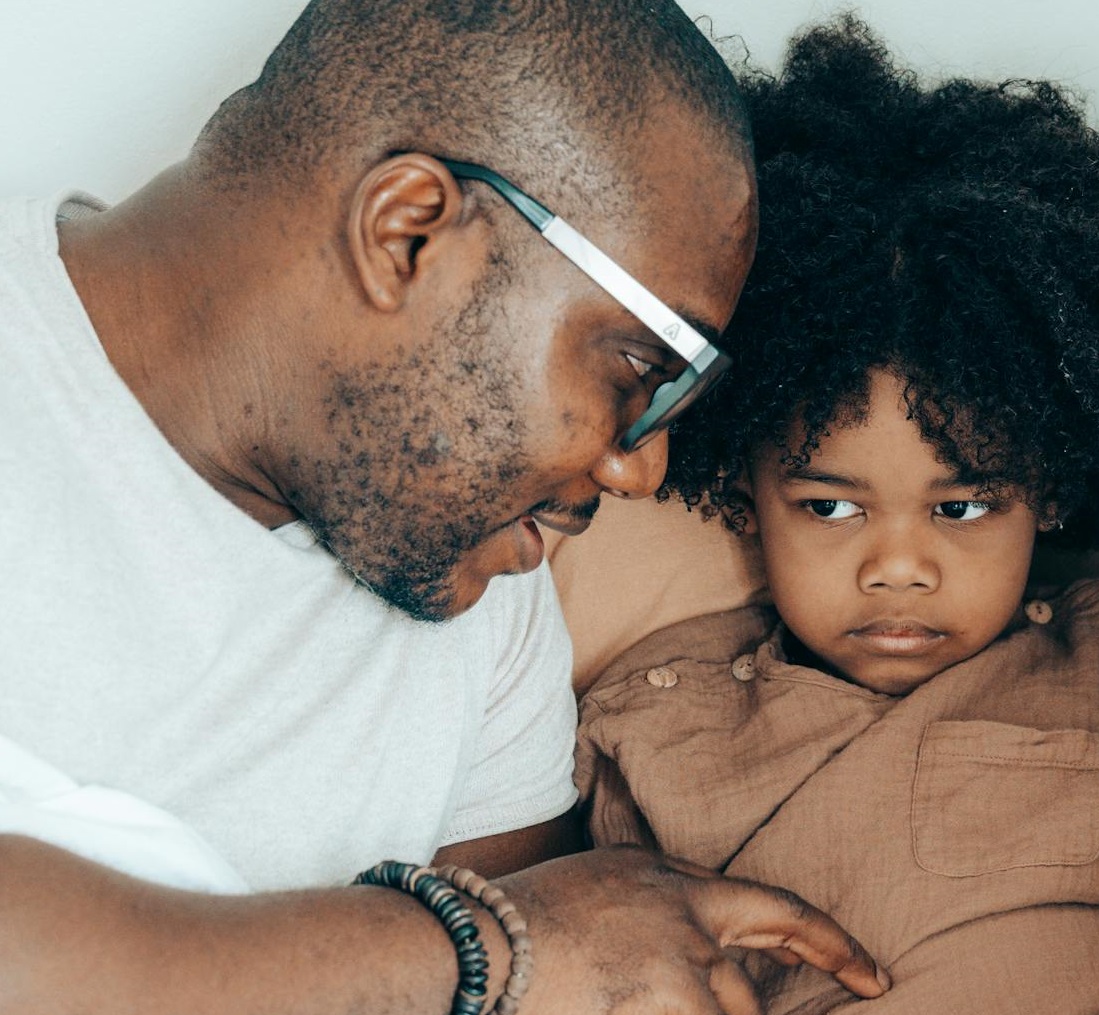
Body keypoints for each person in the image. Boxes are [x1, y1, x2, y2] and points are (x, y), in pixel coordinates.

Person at [0, 1, 892, 1012]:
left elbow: (571, 974)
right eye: (641, 367)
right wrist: (480, 947)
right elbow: (531, 951)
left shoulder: (471, 564)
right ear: (408, 234)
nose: (640, 471)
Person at [575, 14, 1099, 1015]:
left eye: (964, 504)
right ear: (740, 491)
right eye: (828, 505)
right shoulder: (654, 722)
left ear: (1053, 485)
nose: (897, 566)